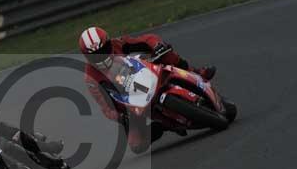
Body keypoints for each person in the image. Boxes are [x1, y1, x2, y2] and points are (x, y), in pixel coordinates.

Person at [79, 26, 216, 153]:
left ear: (109, 43)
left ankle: (195, 72)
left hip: (144, 71)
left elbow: (146, 39)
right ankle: (165, 124)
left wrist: (156, 45)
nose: (102, 56)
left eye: (104, 50)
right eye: (96, 55)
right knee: (137, 145)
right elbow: (105, 107)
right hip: (129, 101)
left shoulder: (118, 44)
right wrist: (119, 116)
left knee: (166, 53)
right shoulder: (91, 79)